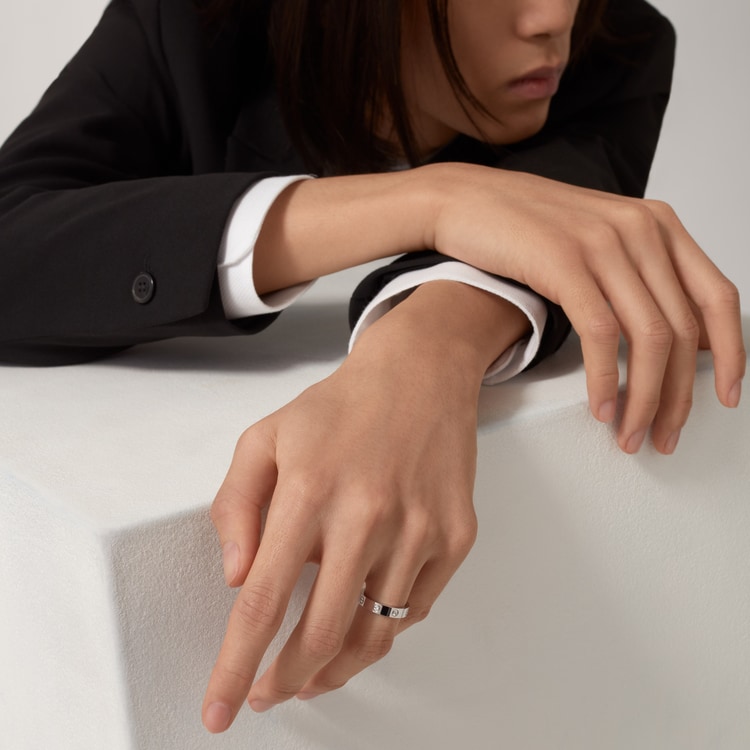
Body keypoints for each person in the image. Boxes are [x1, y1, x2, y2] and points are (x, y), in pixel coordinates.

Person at [0, 0, 744, 735]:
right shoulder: (192, 22)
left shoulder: (616, 42)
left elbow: (558, 219)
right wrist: (433, 199)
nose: (555, 19)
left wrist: (427, 348)